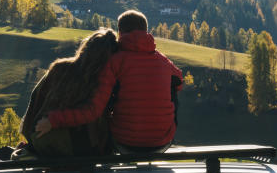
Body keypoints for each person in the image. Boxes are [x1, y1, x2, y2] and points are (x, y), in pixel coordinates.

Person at [36, 10, 182, 153]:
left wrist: (53, 121)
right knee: (172, 87)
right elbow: (179, 81)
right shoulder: (164, 61)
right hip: (162, 142)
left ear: (120, 32)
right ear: (146, 31)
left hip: (124, 143)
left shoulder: (115, 62)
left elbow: (93, 111)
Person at [17, 28, 119, 157]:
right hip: (89, 148)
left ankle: (29, 150)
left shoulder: (59, 68)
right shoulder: (105, 81)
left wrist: (31, 135)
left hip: (44, 138)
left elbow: (36, 98)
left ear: (86, 47)